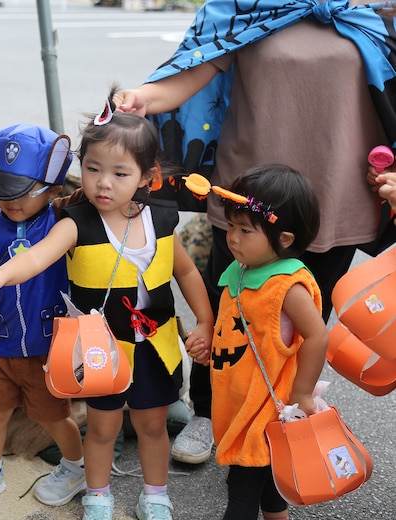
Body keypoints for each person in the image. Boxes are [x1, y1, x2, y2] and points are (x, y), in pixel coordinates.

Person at [114, 0, 395, 465]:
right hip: (250, 202)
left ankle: (280, 413)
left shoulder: (371, 14)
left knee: (301, 324)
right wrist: (144, 96)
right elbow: (191, 72)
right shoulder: (244, 7)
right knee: (230, 314)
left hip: (337, 195)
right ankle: (208, 412)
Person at [0, 100, 214, 520]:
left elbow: (187, 273)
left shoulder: (162, 219)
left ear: (148, 177)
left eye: (120, 174)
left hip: (156, 346)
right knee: (102, 428)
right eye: (93, 168)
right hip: (99, 348)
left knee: (152, 425)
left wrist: (206, 322)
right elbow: (36, 257)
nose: (103, 183)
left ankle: (155, 495)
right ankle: (97, 495)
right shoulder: (76, 221)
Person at [0, 124, 86, 510]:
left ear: (53, 188)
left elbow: (98, 189)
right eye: (0, 192)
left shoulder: (61, 218)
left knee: (55, 417)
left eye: (21, 193)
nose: (9, 203)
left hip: (47, 348)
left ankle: (75, 468)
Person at [207, 164, 328, 519]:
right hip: (239, 395)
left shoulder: (287, 286)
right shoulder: (243, 270)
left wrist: (303, 393)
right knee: (272, 490)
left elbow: (318, 335)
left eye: (245, 229)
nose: (232, 237)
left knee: (242, 490)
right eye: (231, 225)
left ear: (284, 240)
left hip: (266, 408)